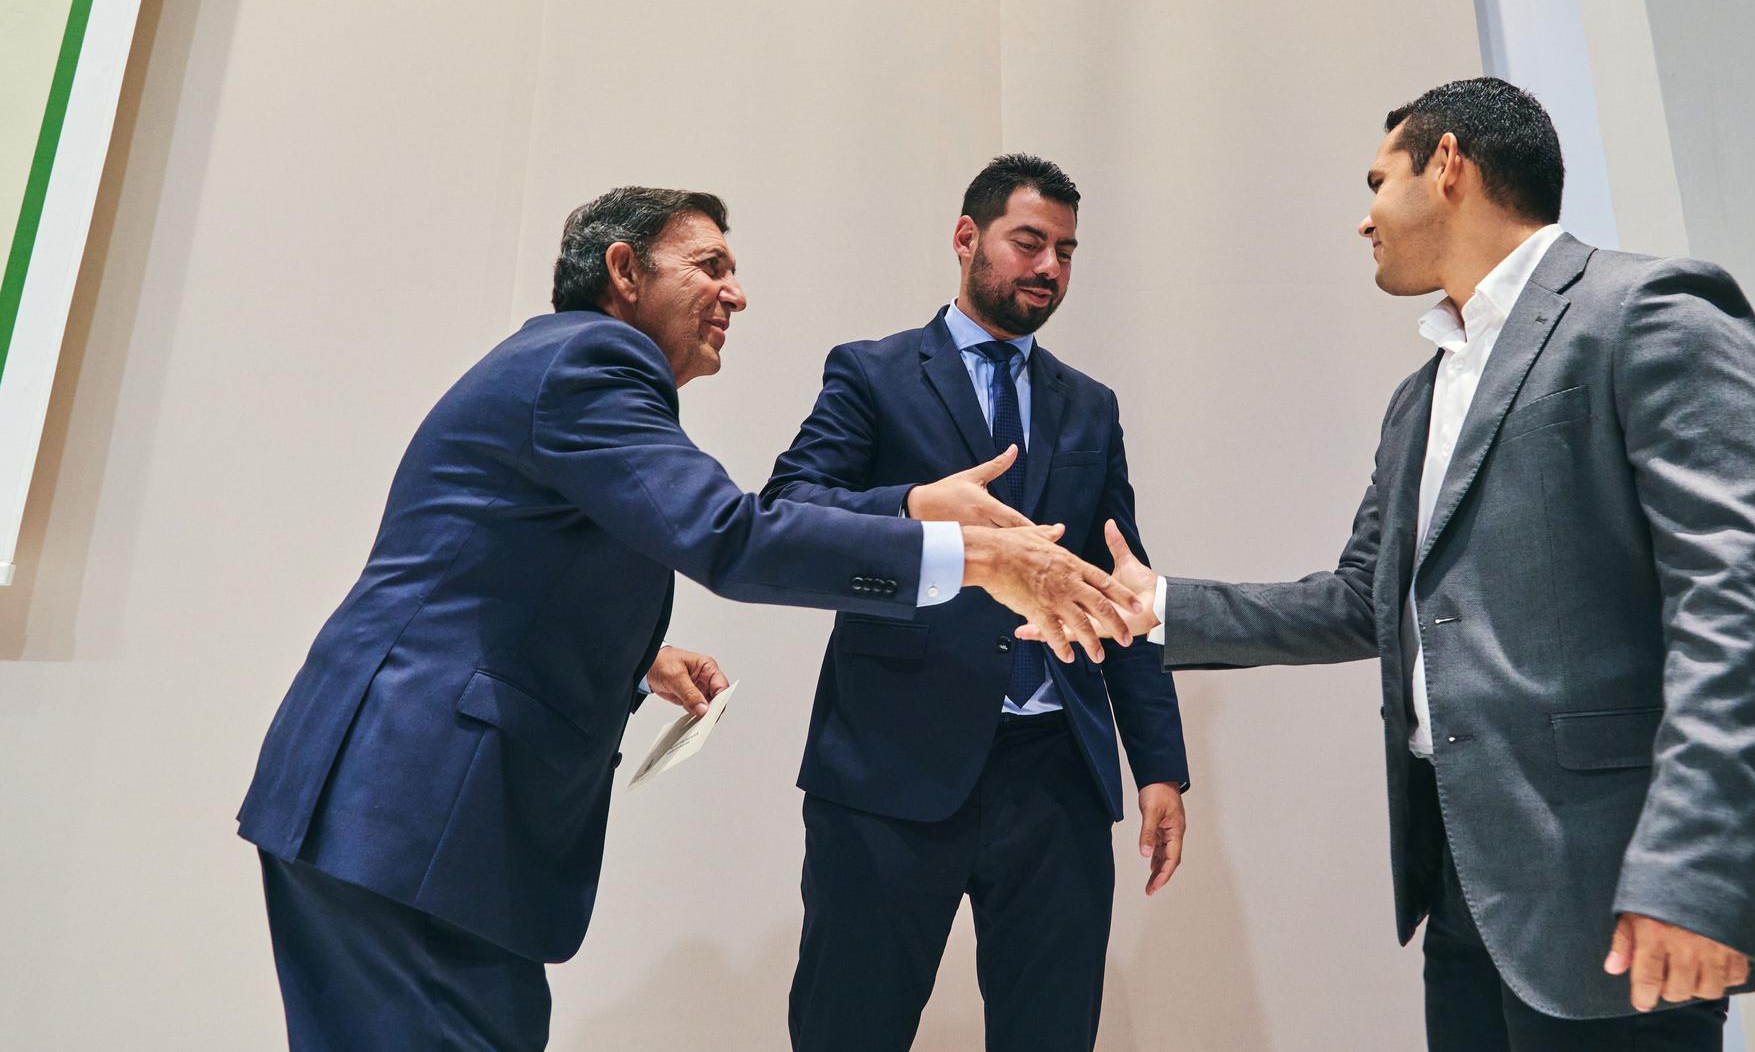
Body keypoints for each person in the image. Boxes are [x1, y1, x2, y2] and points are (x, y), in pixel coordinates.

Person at [237, 186, 1144, 1051]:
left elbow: (497, 565)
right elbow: (731, 537)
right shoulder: (595, 362)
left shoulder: (556, 366)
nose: (735, 294)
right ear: (625, 270)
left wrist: (639, 658)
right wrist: (974, 557)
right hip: (413, 809)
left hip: (390, 809)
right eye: (709, 265)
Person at [1032, 80, 1755, 1050]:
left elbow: (1738, 599)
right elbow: (1361, 600)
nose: (1361, 216)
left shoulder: (1648, 311)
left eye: (1376, 179)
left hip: (1617, 888)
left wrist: (1693, 866)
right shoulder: (1418, 395)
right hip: (1461, 893)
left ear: (1447, 164)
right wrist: (1153, 606)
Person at [768, 155, 1190, 1052]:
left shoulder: (1090, 406)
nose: (1049, 269)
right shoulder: (874, 375)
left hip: (1056, 779)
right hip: (889, 764)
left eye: (1067, 252)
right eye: (1028, 242)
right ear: (968, 239)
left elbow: (1124, 582)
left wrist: (1159, 764)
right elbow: (789, 511)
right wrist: (918, 507)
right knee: (850, 1027)